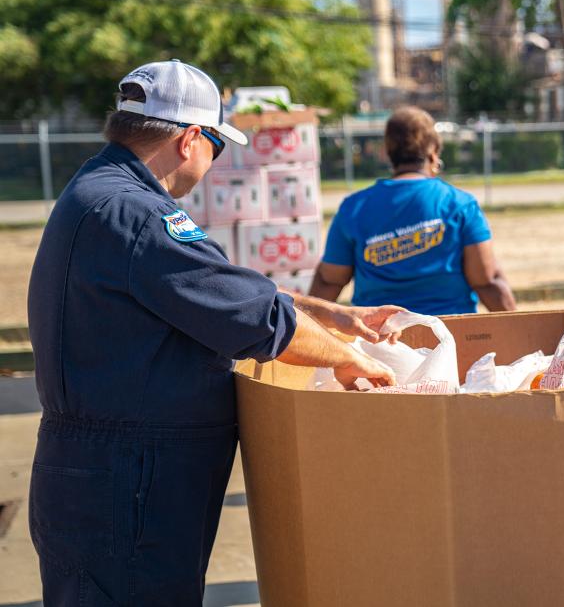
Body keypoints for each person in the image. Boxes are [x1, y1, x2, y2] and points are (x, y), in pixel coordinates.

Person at [27, 60, 400, 606]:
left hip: (109, 478)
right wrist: (350, 358)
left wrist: (335, 316)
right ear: (189, 140)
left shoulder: (102, 193)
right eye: (217, 146)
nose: (212, 161)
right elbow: (252, 317)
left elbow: (214, 286)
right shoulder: (136, 214)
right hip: (127, 487)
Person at [310, 106, 516, 315]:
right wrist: (522, 333)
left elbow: (329, 281)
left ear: (387, 153)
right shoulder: (460, 204)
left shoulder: (353, 207)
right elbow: (486, 281)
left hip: (379, 337)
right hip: (450, 335)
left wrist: (299, 329)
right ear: (433, 153)